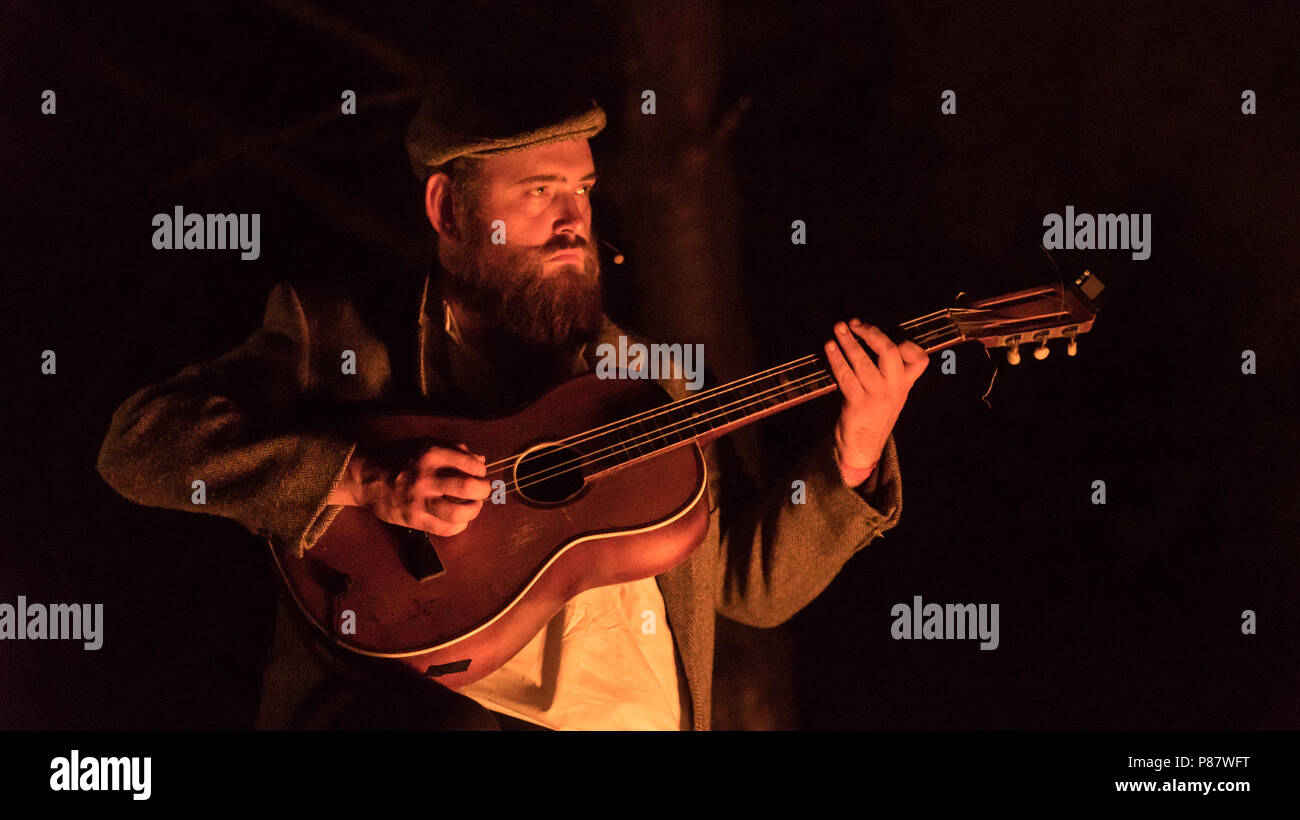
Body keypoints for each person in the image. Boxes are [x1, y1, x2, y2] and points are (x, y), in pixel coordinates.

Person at [95, 79, 929, 731]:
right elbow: (139, 446)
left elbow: (750, 588)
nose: (575, 222)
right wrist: (358, 478)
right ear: (448, 209)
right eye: (538, 192)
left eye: (584, 190)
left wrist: (851, 453)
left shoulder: (646, 382)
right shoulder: (344, 340)